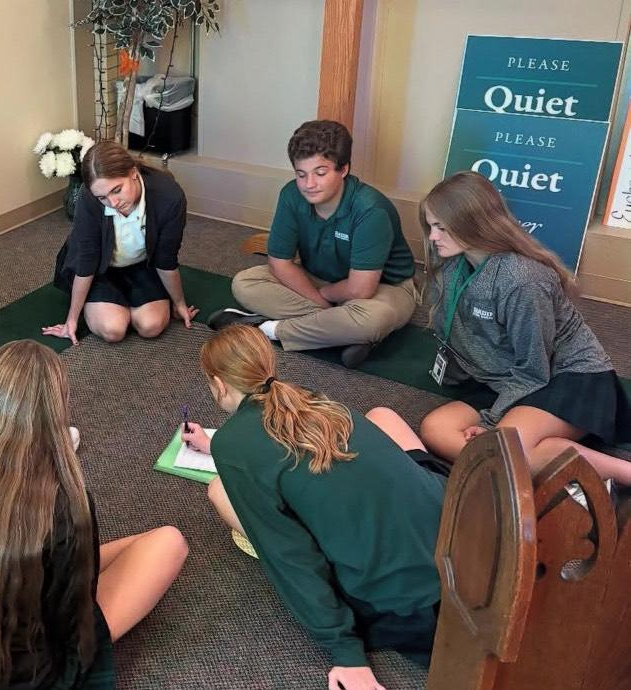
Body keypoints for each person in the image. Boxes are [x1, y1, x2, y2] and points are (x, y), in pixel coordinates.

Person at [0, 340, 188, 689]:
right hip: (16, 676)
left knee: (130, 547)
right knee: (169, 541)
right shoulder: (61, 504)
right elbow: (70, 617)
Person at [185, 325, 445, 690]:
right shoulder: (308, 397)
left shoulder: (233, 444)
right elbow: (290, 451)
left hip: (404, 595)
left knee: (218, 491)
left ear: (218, 383)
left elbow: (290, 556)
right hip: (452, 529)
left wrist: (345, 652)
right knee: (382, 415)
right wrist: (217, 447)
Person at [417, 171, 631, 483]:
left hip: (568, 376)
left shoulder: (521, 279)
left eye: (441, 227)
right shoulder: (453, 265)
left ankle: (623, 474)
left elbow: (534, 369)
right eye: (431, 226)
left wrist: (491, 422)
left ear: (472, 224)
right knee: (435, 429)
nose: (433, 237)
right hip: (504, 377)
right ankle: (531, 460)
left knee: (500, 446)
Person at [209, 120, 418, 369]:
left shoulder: (370, 209)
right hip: (320, 279)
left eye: (320, 173)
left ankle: (265, 328)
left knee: (373, 319)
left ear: (343, 169)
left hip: (382, 289)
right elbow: (280, 262)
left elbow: (361, 290)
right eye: (301, 174)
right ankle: (340, 334)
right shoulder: (291, 195)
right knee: (245, 283)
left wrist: (324, 295)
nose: (309, 184)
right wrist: (322, 302)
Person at [46, 141, 198, 344]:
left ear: (133, 173)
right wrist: (71, 321)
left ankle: (128, 305)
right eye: (102, 197)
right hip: (100, 269)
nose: (113, 203)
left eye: (117, 190)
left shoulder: (169, 195)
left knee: (151, 326)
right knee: (113, 330)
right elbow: (87, 260)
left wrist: (179, 304)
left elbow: (166, 258)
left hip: (142, 265)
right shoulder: (89, 197)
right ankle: (108, 306)